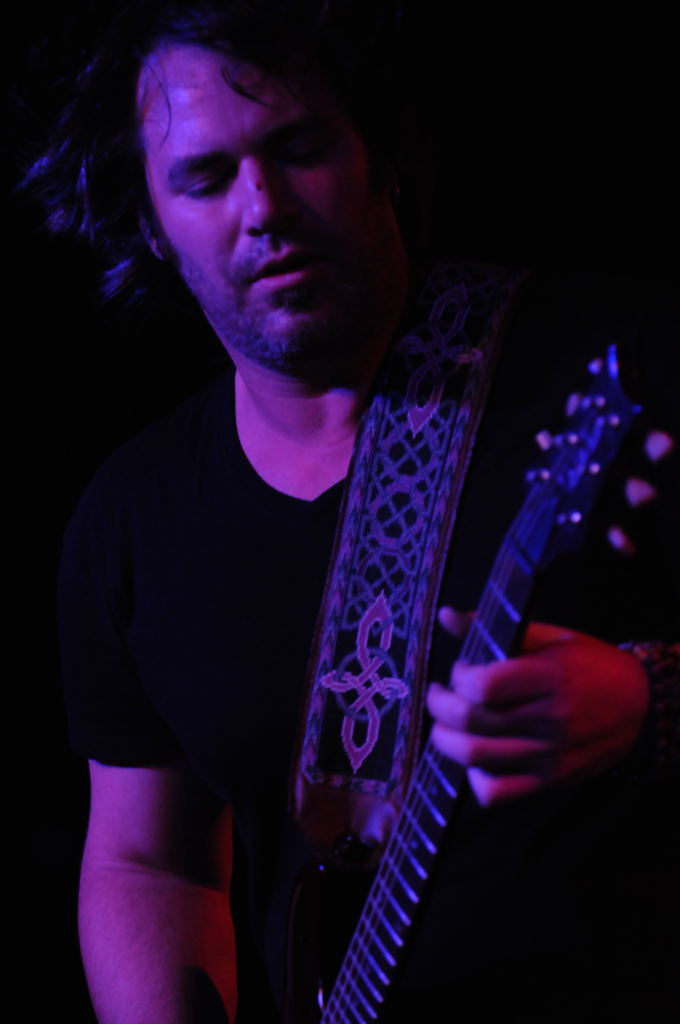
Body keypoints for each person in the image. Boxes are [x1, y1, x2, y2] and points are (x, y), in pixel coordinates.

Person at [27, 2, 678, 1021]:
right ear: (153, 222)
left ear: (379, 154)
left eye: (298, 147)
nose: (263, 207)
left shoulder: (615, 374)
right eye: (205, 177)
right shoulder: (131, 521)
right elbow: (149, 859)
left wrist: (650, 704)